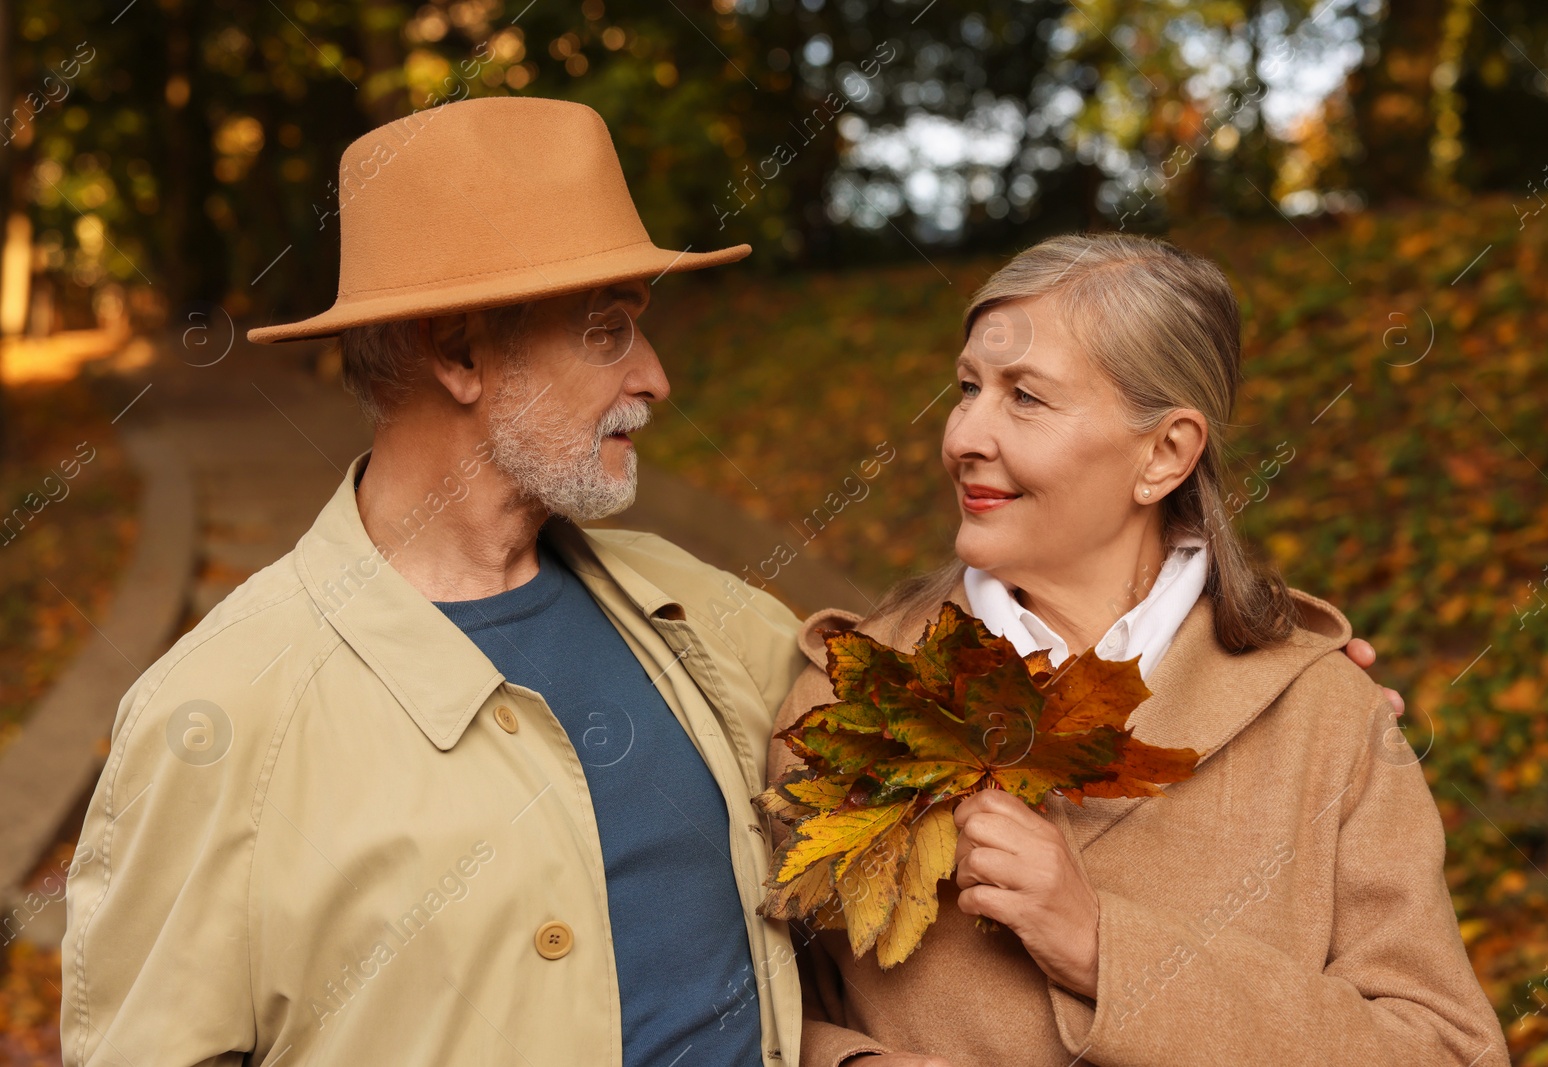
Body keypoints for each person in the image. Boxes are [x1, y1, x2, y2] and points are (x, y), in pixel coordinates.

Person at [61, 99, 1396, 1066]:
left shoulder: (715, 624)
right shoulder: (221, 714)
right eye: (608, 332)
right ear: (461, 355)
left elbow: (943, 667)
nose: (655, 378)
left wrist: (1274, 670)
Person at [768, 233, 1510, 1067]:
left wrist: (1103, 946)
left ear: (1164, 453)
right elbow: (742, 1004)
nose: (964, 435)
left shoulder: (1325, 715)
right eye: (968, 388)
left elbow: (1446, 1050)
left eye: (1026, 399)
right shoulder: (841, 698)